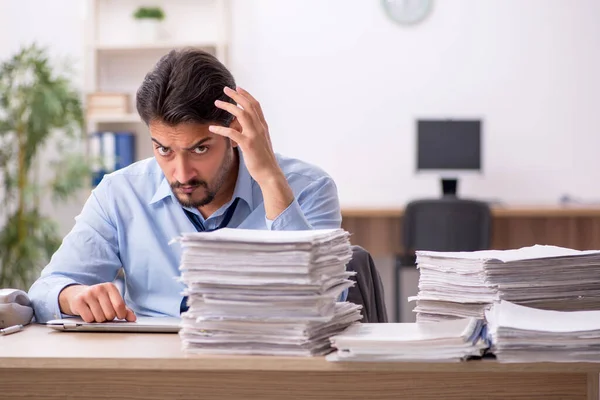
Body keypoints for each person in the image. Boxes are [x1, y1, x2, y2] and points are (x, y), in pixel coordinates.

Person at [28, 48, 343, 323]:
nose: (181, 174)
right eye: (164, 150)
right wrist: (73, 295)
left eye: (200, 149)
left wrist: (271, 180)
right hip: (153, 374)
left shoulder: (308, 188)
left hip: (264, 372)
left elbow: (326, 305)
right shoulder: (120, 193)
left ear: (235, 131)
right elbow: (45, 290)